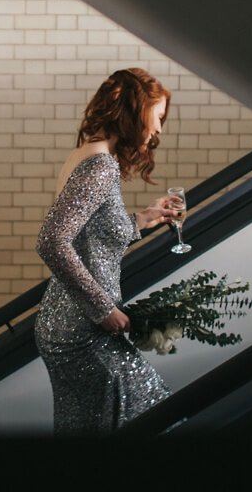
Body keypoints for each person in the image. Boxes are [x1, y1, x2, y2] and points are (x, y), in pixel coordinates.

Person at [34, 67, 181, 434]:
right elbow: (52, 241)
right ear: (135, 109)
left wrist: (142, 219)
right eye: (158, 117)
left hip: (71, 323)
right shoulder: (100, 167)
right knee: (150, 412)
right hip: (80, 330)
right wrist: (103, 309)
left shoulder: (90, 155)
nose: (159, 129)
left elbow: (89, 237)